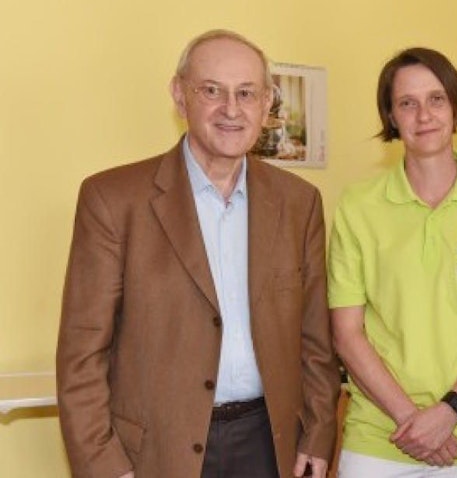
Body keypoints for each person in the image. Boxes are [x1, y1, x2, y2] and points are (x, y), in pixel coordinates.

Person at [57, 29, 339, 478]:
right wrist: (105, 467)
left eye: (246, 93)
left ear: (267, 104)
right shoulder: (112, 200)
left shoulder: (299, 203)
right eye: (212, 90)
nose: (231, 109)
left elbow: (315, 343)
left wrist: (319, 433)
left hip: (270, 446)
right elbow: (81, 356)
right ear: (179, 94)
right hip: (154, 454)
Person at [327, 47, 457, 477]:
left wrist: (448, 413)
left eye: (437, 99)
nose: (424, 115)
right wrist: (413, 421)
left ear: (456, 107)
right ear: (391, 117)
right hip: (380, 437)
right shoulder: (357, 206)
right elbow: (348, 334)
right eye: (407, 103)